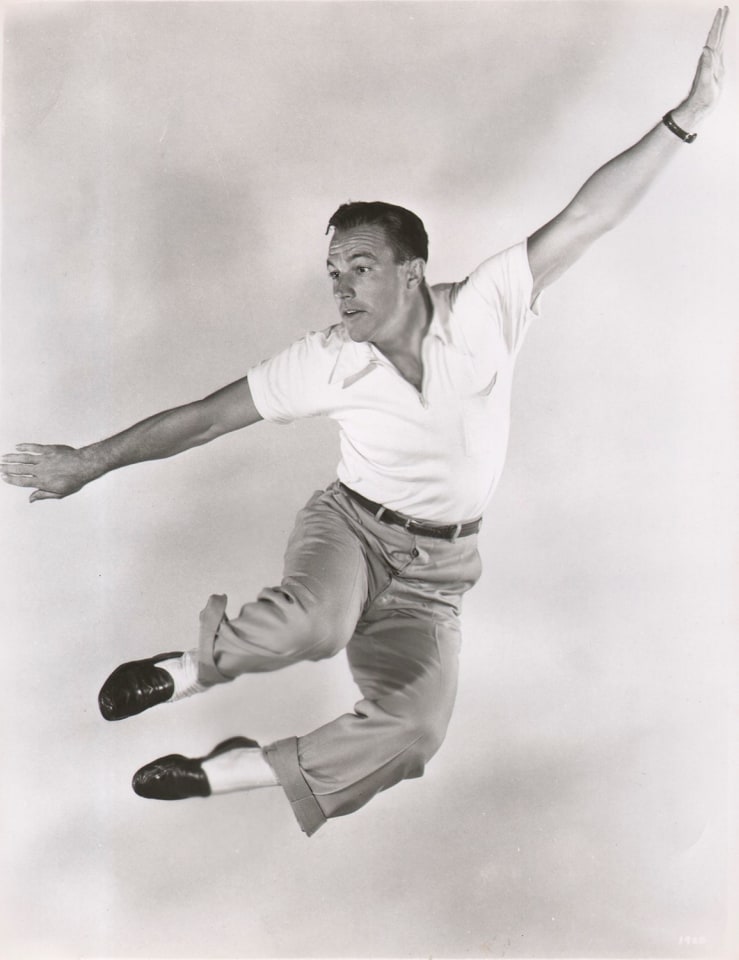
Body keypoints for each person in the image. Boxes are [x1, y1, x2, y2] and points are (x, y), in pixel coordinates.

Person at [1, 9, 728, 836]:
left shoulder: (488, 307)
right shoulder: (326, 358)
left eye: (359, 266)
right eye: (331, 271)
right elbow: (206, 419)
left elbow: (588, 217)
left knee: (416, 731)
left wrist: (687, 117)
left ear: (411, 271)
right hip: (350, 531)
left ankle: (229, 770)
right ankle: (181, 673)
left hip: (440, 573)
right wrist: (88, 462)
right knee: (316, 623)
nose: (340, 287)